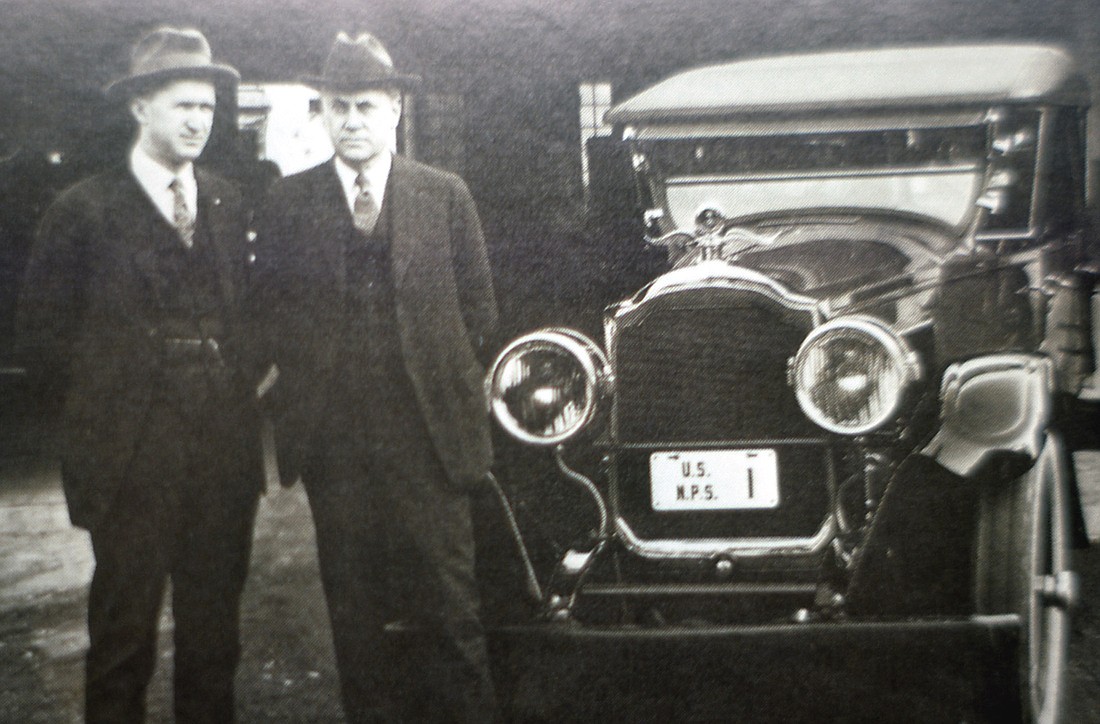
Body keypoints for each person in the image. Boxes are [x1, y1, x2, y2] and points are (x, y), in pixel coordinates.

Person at [248, 31, 499, 723]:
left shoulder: (443, 196)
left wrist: (437, 382)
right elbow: (268, 311)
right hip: (337, 446)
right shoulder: (288, 204)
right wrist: (297, 392)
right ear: (322, 115)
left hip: (429, 441)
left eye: (365, 106)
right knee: (355, 620)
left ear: (393, 109)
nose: (352, 121)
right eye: (337, 107)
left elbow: (480, 314)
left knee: (452, 612)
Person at [16, 27, 262, 723]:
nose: (197, 121)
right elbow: (43, 345)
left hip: (222, 456)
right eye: (183, 105)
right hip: (129, 461)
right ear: (139, 108)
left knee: (215, 640)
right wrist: (107, 417)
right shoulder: (82, 212)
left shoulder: (225, 200)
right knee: (124, 643)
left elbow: (249, 318)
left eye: (208, 109)